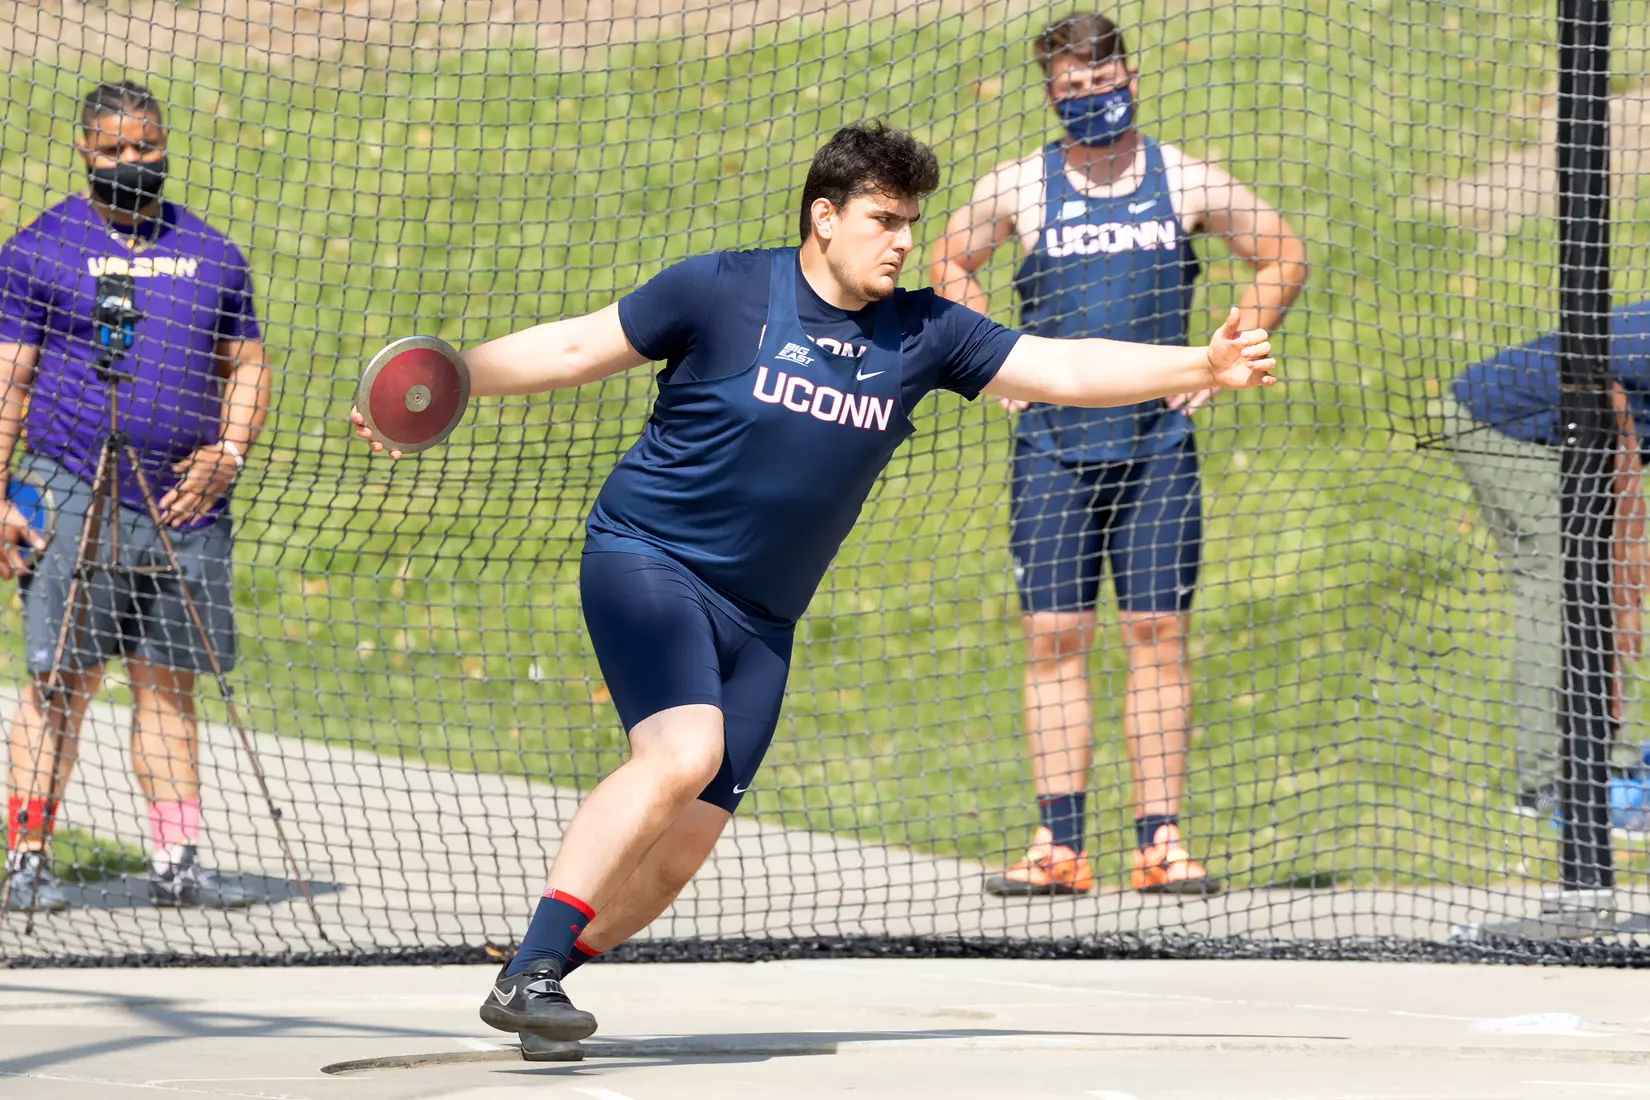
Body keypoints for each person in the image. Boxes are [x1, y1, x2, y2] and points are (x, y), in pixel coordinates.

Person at [351, 122, 1277, 1041]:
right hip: (648, 557)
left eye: (912, 221)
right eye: (885, 219)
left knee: (677, 860)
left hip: (763, 618)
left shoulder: (923, 331)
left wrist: (1203, 362)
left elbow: (1060, 362)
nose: (906, 241)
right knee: (681, 755)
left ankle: (541, 973)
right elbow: (570, 351)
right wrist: (447, 379)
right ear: (823, 217)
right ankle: (531, 972)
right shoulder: (720, 290)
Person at [930, 11, 1308, 895]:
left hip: (1156, 443)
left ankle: (1160, 841)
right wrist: (993, 363)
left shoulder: (1180, 179)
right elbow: (950, 261)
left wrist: (1223, 357)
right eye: (1071, 91)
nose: (1090, 101)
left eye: (1103, 86)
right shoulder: (1023, 186)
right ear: (1051, 93)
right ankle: (1058, 842)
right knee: (1055, 636)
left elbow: (1282, 254)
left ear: (1130, 79)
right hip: (1052, 445)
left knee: (1156, 634)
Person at [0, 80, 269, 911]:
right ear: (84, 151)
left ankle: (176, 861)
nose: (131, 163)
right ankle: (27, 859)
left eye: (144, 148)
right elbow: (10, 381)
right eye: (113, 150)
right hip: (69, 488)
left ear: (163, 145)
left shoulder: (214, 252)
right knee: (59, 682)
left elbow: (248, 363)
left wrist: (229, 450)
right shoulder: (39, 249)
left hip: (186, 505)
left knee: (168, 684)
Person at [1442, 300, 1650, 828]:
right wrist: (1625, 580)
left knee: (1590, 582)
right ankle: (1561, 782)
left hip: (1570, 433)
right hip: (1505, 426)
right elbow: (1617, 440)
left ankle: (1600, 763)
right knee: (1566, 584)